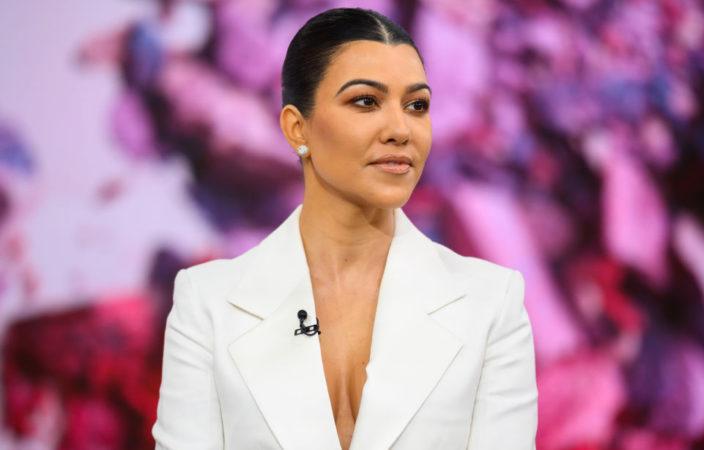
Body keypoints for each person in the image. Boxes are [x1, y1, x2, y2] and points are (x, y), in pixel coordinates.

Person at [151, 7, 537, 450]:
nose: (399, 130)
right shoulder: (207, 305)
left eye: (417, 106)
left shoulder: (493, 304)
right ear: (297, 128)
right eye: (365, 102)